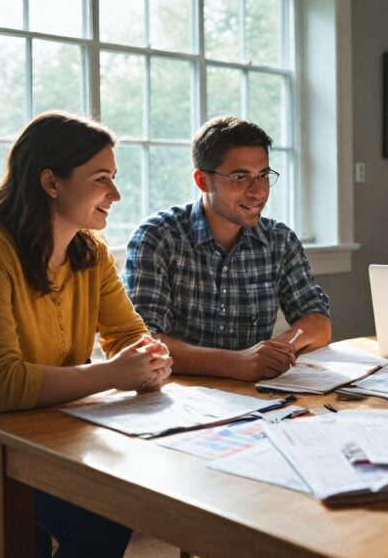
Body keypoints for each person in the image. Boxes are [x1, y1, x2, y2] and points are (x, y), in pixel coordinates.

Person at [0, 112, 173, 558]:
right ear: (51, 183)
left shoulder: (91, 253)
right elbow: (0, 389)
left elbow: (130, 335)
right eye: (102, 179)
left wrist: (150, 358)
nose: (116, 194)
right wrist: (114, 373)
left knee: (119, 501)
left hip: (45, 438)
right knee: (81, 520)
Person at [124, 115, 331, 380]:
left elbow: (318, 322)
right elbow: (143, 340)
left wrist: (276, 351)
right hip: (176, 397)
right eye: (240, 177)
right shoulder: (157, 237)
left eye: (264, 175)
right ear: (202, 181)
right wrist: (236, 363)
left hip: (255, 397)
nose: (258, 192)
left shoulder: (279, 240)